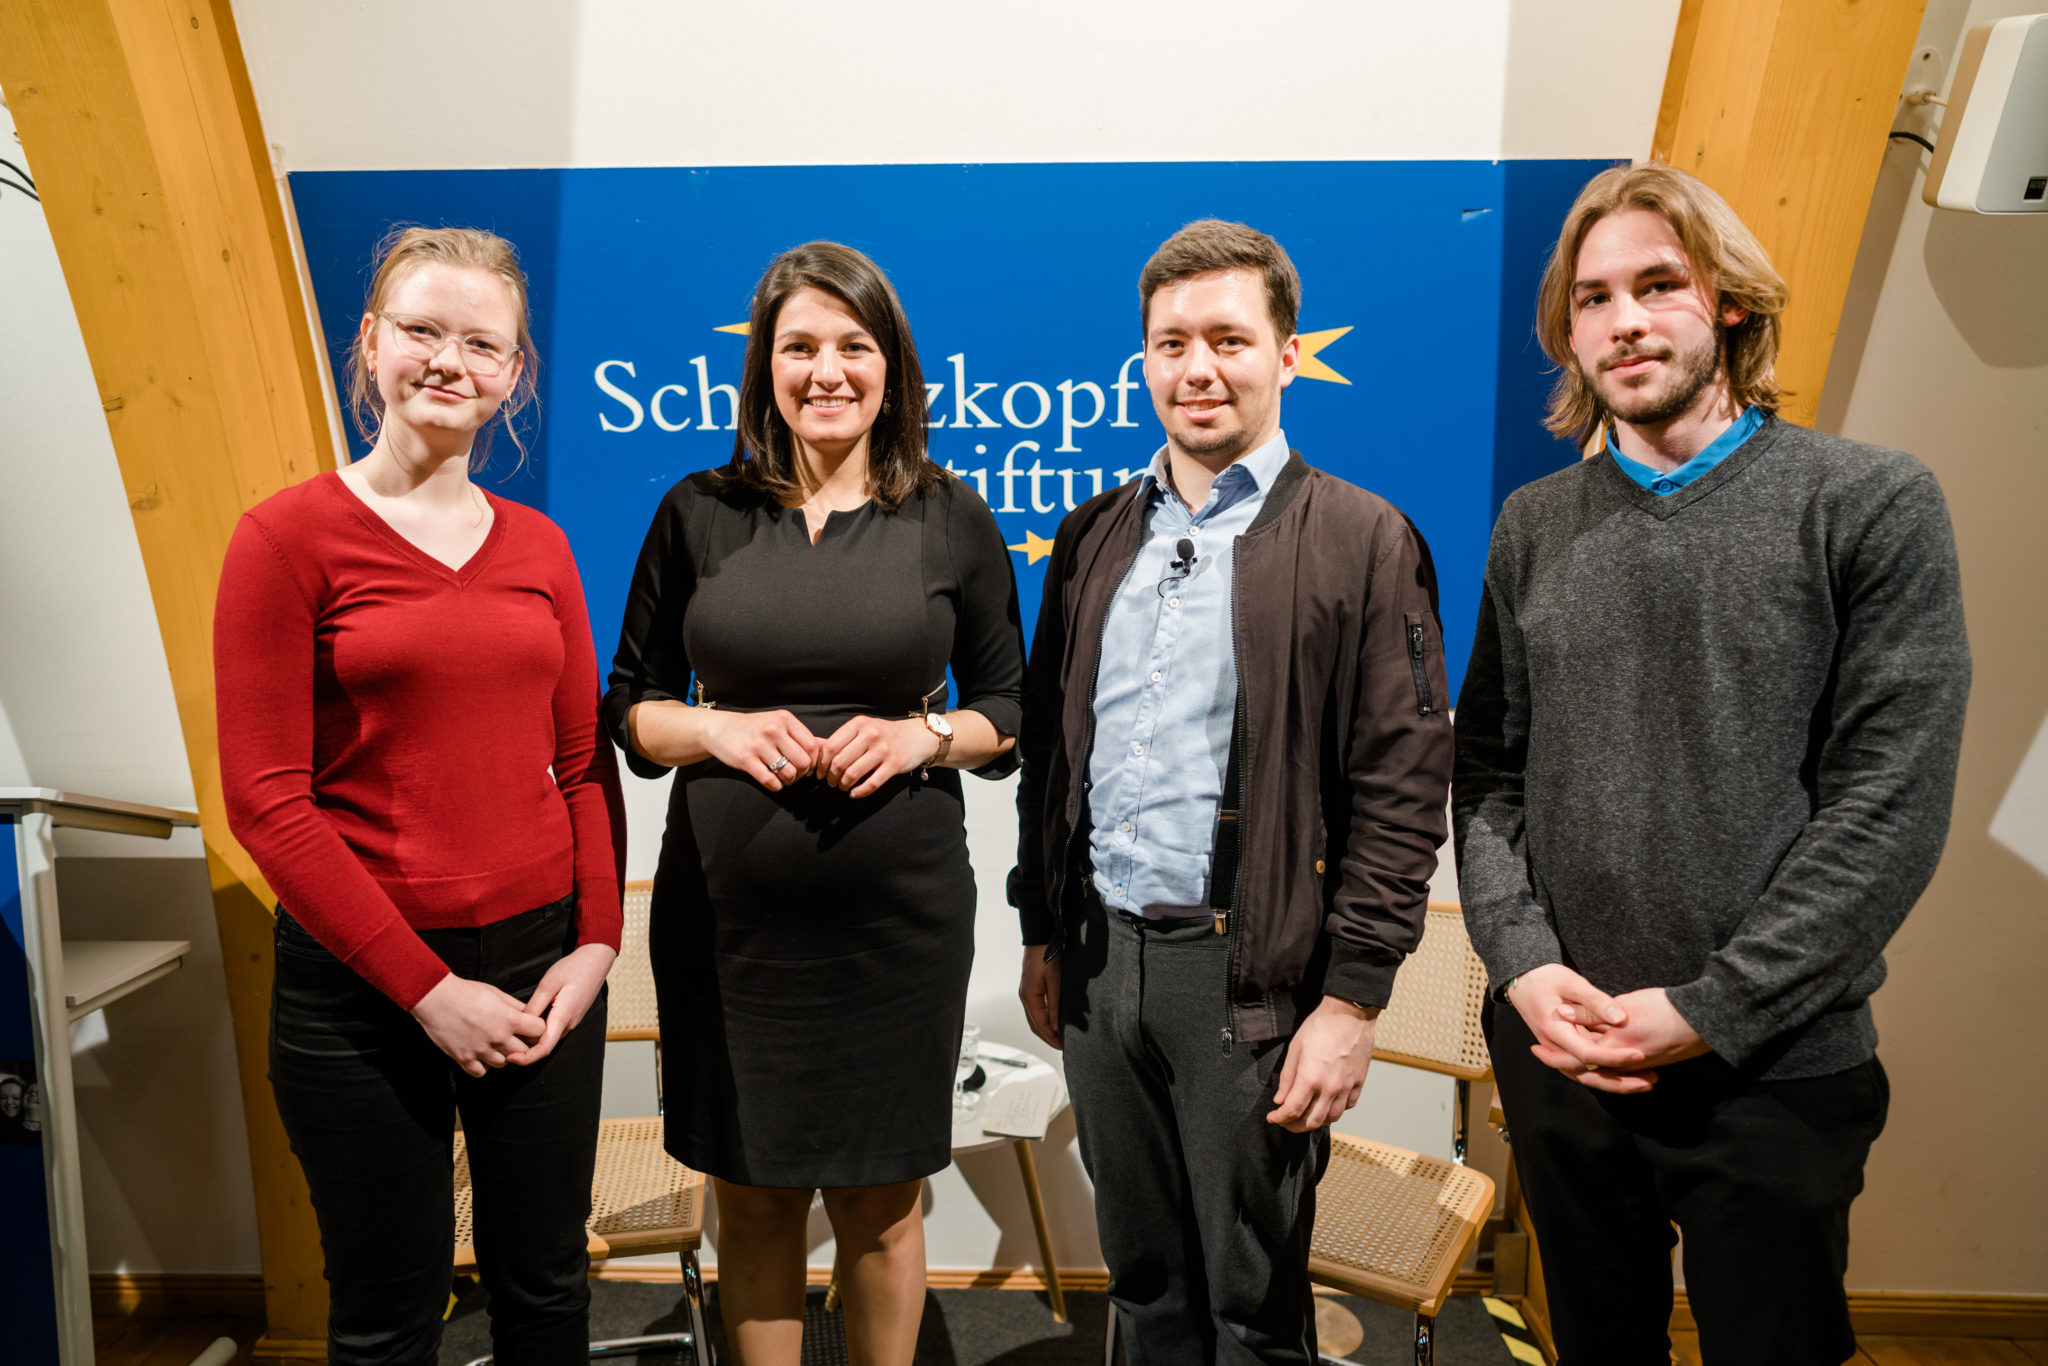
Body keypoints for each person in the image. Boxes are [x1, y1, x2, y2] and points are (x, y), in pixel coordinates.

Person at [1454, 163, 1969, 1365]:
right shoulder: (1533, 523)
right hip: (1564, 1051)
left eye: (1656, 285)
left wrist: (1706, 1007)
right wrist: (1523, 965)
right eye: (1591, 299)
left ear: (1728, 300)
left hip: (1771, 1063)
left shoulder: (1867, 502)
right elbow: (1484, 775)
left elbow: (1888, 806)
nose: (1622, 321)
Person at [1010, 220, 1453, 1365]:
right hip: (1098, 966)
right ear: (1143, 359)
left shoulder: (1362, 538)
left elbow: (1402, 789)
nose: (1196, 368)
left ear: (1286, 354)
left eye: (1227, 339)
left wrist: (1350, 1003)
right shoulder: (1091, 535)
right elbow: (1053, 755)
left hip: (1247, 979)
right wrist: (1041, 930)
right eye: (1170, 343)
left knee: (1251, 1307)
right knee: (1144, 1285)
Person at [604, 241, 1025, 1366]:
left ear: (893, 366)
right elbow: (631, 707)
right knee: (751, 1199)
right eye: (798, 347)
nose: (825, 371)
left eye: (852, 345)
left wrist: (924, 736)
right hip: (728, 932)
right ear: (764, 366)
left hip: (897, 932)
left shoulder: (950, 515)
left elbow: (1008, 708)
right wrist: (717, 728)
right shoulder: (697, 511)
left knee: (882, 1205)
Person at [216, 227, 626, 1366]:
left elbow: (582, 765)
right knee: (387, 1316)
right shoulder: (285, 539)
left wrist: (597, 944)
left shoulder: (540, 547)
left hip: (543, 969)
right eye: (422, 330)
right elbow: (266, 802)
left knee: (547, 1291)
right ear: (370, 343)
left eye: (481, 343)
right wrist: (428, 991)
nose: (449, 360)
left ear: (514, 372)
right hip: (362, 986)